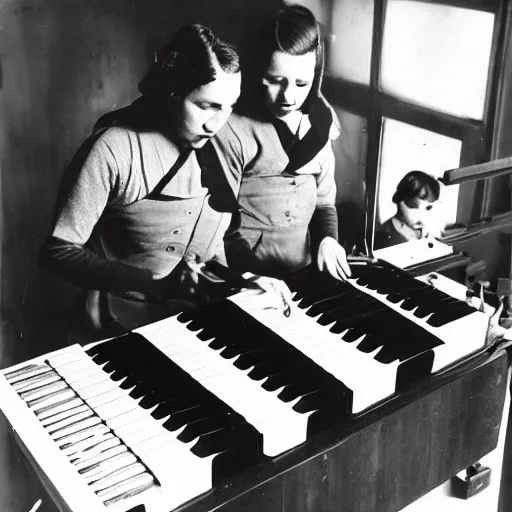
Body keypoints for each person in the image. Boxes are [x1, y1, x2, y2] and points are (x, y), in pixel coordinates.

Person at [39, 24, 247, 340]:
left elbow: (226, 234)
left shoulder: (223, 141)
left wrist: (248, 279)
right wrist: (153, 286)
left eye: (230, 107)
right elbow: (57, 251)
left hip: (198, 319)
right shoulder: (114, 148)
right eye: (207, 106)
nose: (218, 123)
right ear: (173, 92)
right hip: (120, 322)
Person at [218, 5, 352, 281]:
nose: (288, 96)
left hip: (304, 268)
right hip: (247, 273)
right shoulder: (233, 127)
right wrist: (253, 277)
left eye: (302, 84)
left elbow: (325, 202)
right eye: (276, 81)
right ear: (258, 72)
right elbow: (220, 223)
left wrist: (327, 239)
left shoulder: (322, 121)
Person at [374, 170, 442, 249]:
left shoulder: (425, 233)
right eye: (414, 208)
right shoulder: (383, 237)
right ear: (401, 202)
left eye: (428, 208)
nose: (421, 216)